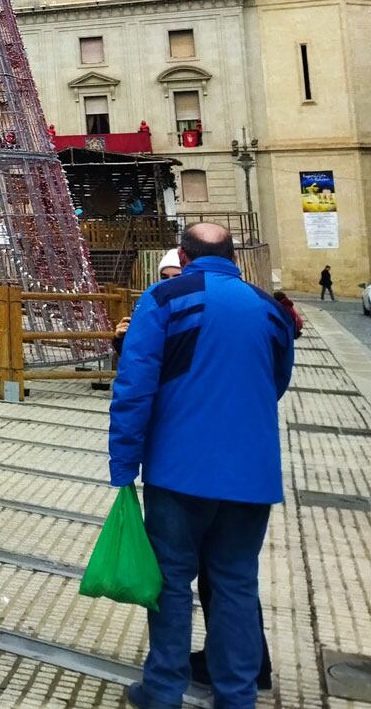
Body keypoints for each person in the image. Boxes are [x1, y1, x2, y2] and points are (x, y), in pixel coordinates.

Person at [109, 223, 295, 709]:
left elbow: (135, 384)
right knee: (235, 584)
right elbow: (275, 382)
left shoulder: (166, 298)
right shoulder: (268, 308)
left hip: (179, 471)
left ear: (185, 257)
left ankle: (163, 691)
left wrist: (124, 464)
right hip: (252, 475)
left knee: (170, 583)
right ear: (232, 257)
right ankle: (236, 697)